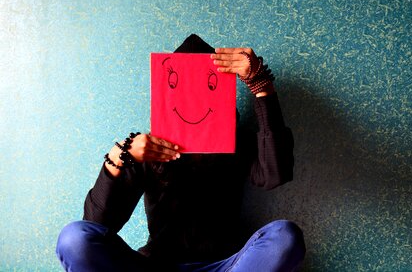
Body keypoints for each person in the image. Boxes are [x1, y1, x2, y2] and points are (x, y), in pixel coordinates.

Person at [56, 34, 305, 271]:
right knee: (73, 239)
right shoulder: (148, 149)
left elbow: (275, 174)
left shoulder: (237, 142)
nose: (194, 102)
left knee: (285, 236)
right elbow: (95, 224)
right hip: (154, 267)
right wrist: (119, 156)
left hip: (225, 266)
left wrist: (261, 84)